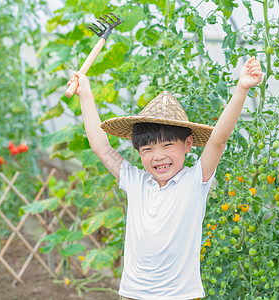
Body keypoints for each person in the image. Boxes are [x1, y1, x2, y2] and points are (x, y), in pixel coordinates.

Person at [67, 57, 262, 300]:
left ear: (188, 144)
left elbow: (218, 140)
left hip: (178, 295)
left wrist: (241, 89)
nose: (158, 157)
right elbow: (101, 147)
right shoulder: (136, 181)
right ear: (139, 152)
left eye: (168, 145)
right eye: (147, 149)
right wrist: (85, 94)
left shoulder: (194, 182)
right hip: (133, 294)